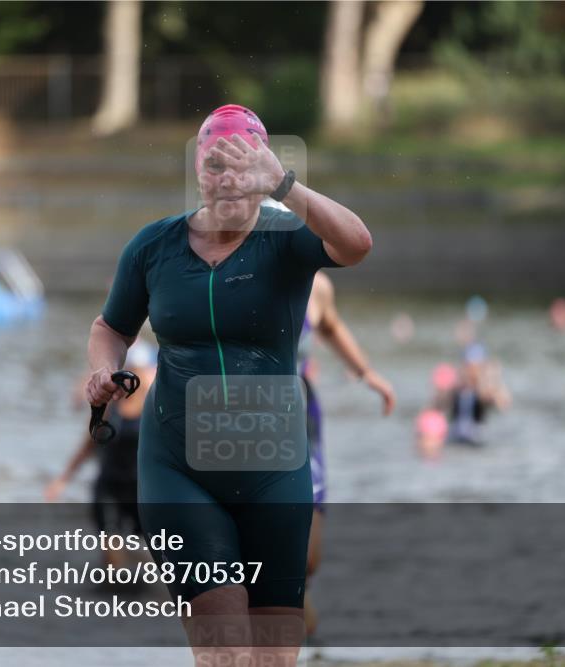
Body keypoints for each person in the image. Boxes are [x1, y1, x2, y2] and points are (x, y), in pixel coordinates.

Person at [85, 104, 371, 666]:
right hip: (178, 469)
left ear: (265, 167)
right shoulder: (153, 247)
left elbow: (357, 244)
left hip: (273, 466)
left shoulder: (289, 238)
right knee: (225, 656)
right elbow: (110, 328)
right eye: (217, 164)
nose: (230, 178)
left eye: (245, 164)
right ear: (198, 170)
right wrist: (101, 369)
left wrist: (285, 186)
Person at [298, 270, 395, 636]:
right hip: (242, 420)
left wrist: (367, 372)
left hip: (301, 417)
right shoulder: (230, 274)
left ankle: (296, 593)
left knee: (308, 557)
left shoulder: (316, 286)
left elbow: (332, 326)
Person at [45, 341, 157, 568]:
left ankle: (146, 597)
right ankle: (111, 597)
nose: (136, 376)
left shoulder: (154, 406)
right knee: (112, 559)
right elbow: (89, 443)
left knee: (151, 554)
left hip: (142, 489)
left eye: (141, 370)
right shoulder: (110, 406)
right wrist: (63, 479)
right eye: (132, 370)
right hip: (109, 487)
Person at [440, 343, 511, 446]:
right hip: (455, 435)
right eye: (469, 367)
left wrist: (491, 380)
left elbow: (503, 404)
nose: (472, 372)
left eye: (476, 367)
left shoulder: (487, 388)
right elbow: (439, 405)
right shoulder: (456, 386)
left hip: (477, 437)